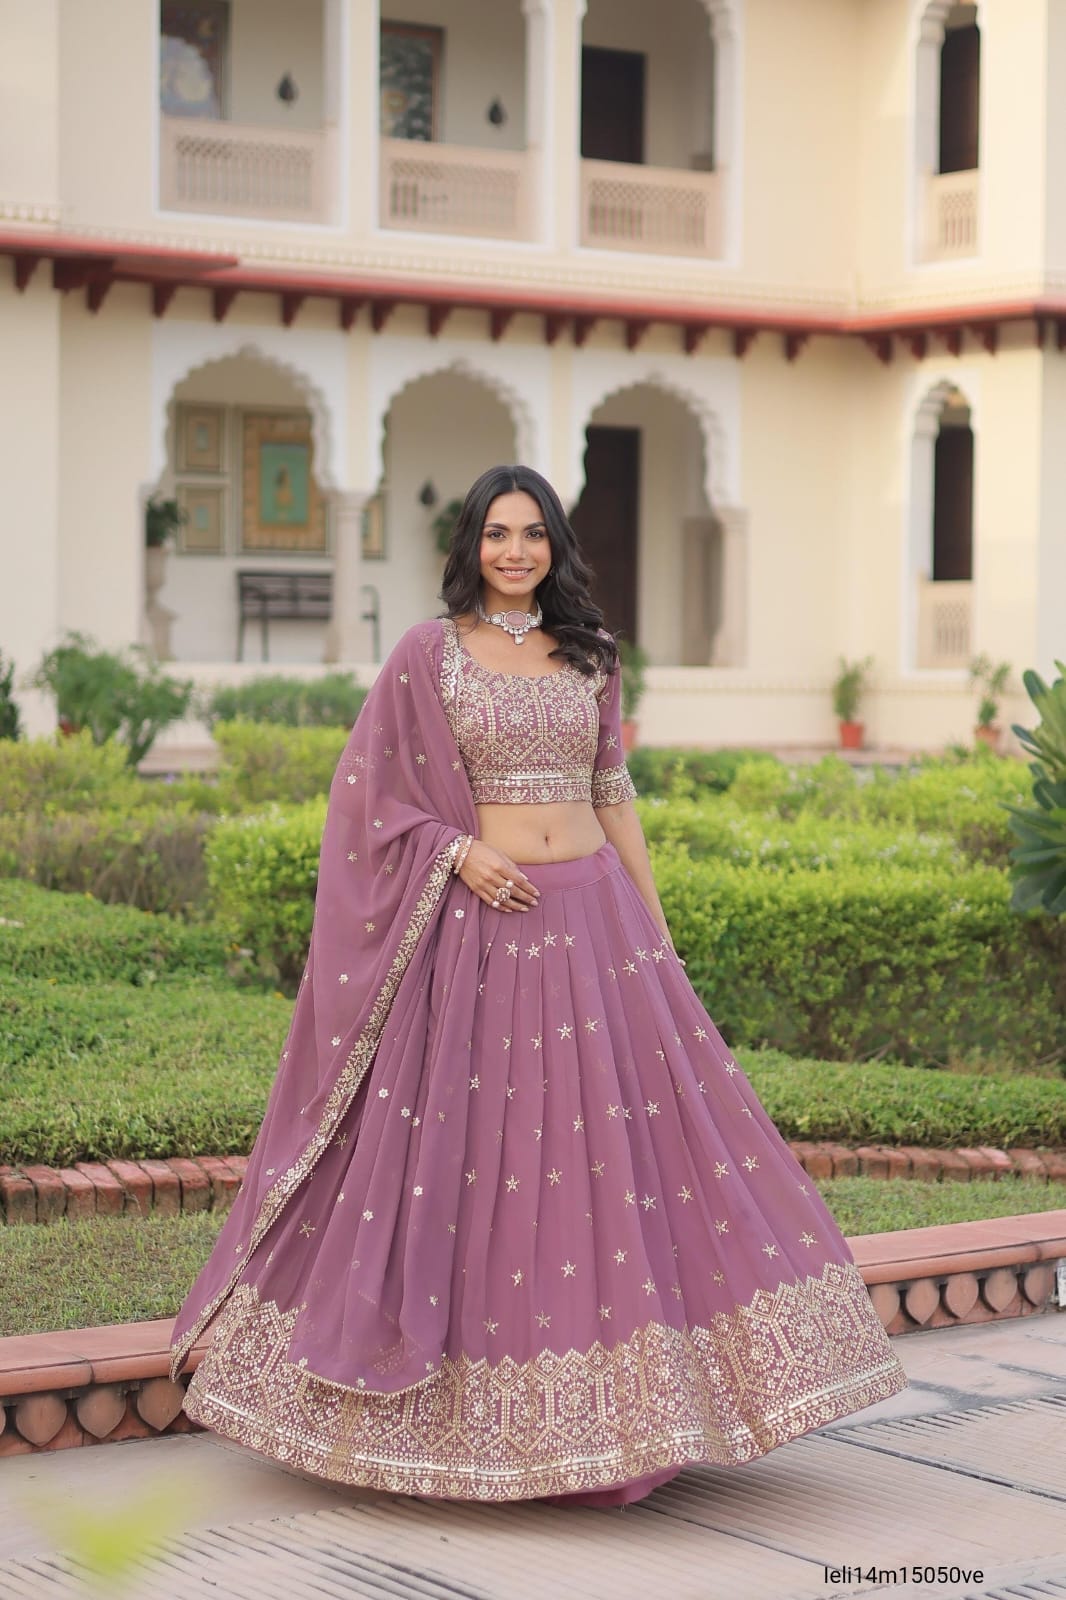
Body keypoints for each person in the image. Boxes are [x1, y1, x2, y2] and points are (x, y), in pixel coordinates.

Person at [171, 464, 906, 1506]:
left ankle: (629, 1421)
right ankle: (480, 1425)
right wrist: (454, 853)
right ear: (471, 544)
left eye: (531, 535)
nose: (513, 552)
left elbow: (614, 794)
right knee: (497, 1167)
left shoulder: (592, 656)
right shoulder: (427, 655)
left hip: (595, 923)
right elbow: (368, 799)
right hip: (485, 929)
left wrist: (655, 938)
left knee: (606, 1166)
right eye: (495, 534)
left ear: (555, 546)